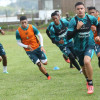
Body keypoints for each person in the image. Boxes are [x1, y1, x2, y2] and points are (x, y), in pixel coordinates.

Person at [66, 2, 100, 94]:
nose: (80, 10)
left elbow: (98, 25)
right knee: (83, 67)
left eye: (81, 8)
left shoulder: (90, 18)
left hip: (89, 44)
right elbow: (68, 36)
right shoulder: (73, 21)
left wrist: (98, 35)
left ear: (84, 9)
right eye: (78, 9)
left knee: (87, 61)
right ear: (75, 11)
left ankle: (90, 83)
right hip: (78, 48)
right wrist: (77, 28)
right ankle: (87, 79)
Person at [16, 16, 51, 80]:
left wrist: (42, 46)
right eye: (22, 23)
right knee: (39, 64)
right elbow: (18, 42)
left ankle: (40, 60)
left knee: (45, 63)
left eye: (25, 22)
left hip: (38, 48)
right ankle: (48, 76)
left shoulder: (32, 27)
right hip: (29, 51)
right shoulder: (18, 31)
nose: (24, 24)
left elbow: (40, 35)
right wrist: (26, 46)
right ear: (20, 23)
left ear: (27, 21)